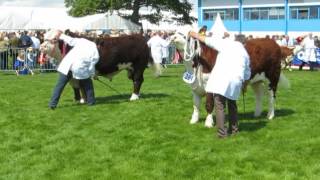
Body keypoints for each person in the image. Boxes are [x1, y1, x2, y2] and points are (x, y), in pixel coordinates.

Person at [189, 31, 251, 138]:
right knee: (232, 105)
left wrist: (193, 33)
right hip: (235, 81)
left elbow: (207, 40)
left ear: (235, 40)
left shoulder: (226, 43)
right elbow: (247, 74)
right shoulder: (245, 54)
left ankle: (222, 133)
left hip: (221, 78)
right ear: (244, 43)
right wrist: (244, 87)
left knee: (220, 106)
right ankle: (234, 130)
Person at [47, 30, 99, 109]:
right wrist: (93, 74)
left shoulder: (82, 41)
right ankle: (91, 102)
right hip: (79, 68)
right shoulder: (94, 49)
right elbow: (92, 65)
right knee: (88, 84)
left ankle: (52, 104)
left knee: (59, 86)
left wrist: (60, 35)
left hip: (67, 65)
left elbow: (70, 40)